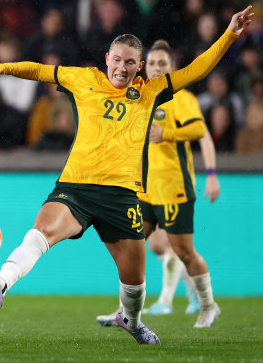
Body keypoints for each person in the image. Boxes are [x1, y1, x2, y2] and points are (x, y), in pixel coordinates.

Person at [0, 6, 253, 345]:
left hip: (122, 196)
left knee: (134, 281)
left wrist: (230, 33)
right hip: (76, 187)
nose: (122, 67)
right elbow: (42, 71)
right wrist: (1, 67)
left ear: (140, 67)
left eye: (131, 62)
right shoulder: (85, 79)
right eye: (117, 59)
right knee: (39, 233)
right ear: (107, 58)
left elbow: (197, 69)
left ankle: (130, 319)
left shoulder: (151, 91)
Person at [95, 39, 222, 327]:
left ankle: (208, 305)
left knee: (184, 252)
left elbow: (199, 129)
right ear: (144, 66)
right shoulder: (137, 96)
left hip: (174, 187)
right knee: (130, 249)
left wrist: (167, 133)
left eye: (162, 64)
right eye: (152, 63)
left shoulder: (181, 98)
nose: (155, 68)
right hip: (143, 190)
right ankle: (125, 312)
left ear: (171, 68)